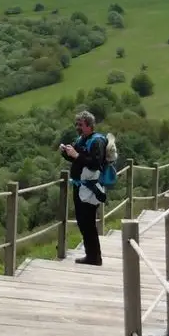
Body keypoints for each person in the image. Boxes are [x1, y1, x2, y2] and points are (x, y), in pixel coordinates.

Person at [60, 110, 107, 265]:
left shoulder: (97, 141)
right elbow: (76, 159)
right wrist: (66, 153)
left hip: (90, 189)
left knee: (88, 222)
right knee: (82, 221)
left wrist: (76, 155)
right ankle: (92, 255)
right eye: (77, 124)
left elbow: (95, 163)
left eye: (80, 125)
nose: (77, 127)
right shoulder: (82, 139)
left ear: (89, 125)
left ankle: (94, 257)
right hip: (80, 187)